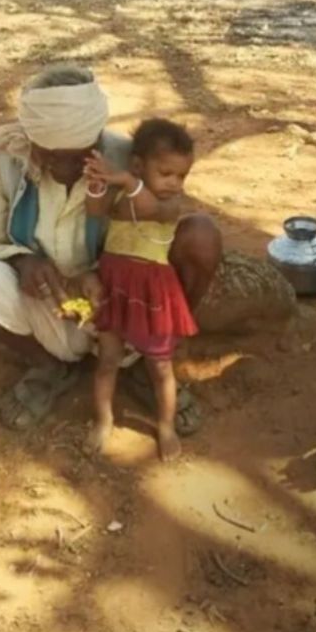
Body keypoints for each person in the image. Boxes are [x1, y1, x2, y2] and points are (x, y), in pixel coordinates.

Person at [0, 65, 222, 432]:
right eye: (51, 156)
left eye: (77, 156)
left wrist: (101, 274)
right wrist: (22, 261)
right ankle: (49, 367)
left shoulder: (129, 160)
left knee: (201, 236)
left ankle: (150, 357)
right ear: (31, 139)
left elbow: (162, 222)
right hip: (47, 302)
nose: (66, 169)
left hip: (122, 297)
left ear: (95, 139)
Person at [81, 118, 200, 460]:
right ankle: (103, 419)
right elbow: (94, 210)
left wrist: (126, 180)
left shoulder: (169, 204)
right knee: (107, 360)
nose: (175, 183)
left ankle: (166, 426)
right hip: (115, 287)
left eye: (182, 176)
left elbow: (149, 208)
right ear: (137, 165)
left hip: (152, 294)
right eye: (166, 173)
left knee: (160, 367)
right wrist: (97, 184)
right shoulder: (123, 195)